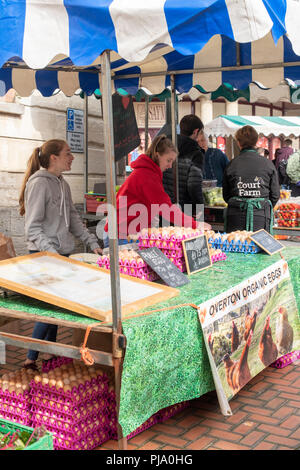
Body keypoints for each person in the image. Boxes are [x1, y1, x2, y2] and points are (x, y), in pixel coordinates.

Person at [19, 139, 102, 370]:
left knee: (56, 307)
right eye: (68, 153)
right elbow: (32, 227)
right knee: (49, 309)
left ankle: (49, 355)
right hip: (43, 255)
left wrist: (90, 241)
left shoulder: (63, 184)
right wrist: (52, 252)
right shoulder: (39, 184)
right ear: (53, 157)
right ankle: (30, 359)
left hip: (61, 254)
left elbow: (74, 220)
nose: (72, 157)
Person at [103, 135, 211, 245]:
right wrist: (195, 224)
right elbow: (166, 208)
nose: (170, 166)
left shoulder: (149, 172)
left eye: (172, 162)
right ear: (157, 155)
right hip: (121, 234)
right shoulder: (147, 176)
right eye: (168, 160)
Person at [222, 126, 280, 233]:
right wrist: (260, 205)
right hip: (261, 217)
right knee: (261, 249)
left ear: (238, 142)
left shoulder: (231, 164)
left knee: (235, 248)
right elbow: (275, 195)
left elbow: (226, 196)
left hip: (235, 216)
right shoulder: (268, 164)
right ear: (256, 141)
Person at [163, 114, 205, 218]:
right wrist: (200, 206)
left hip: (163, 204)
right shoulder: (196, 153)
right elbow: (193, 184)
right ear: (195, 131)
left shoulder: (165, 146)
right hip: (185, 208)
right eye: (200, 133)